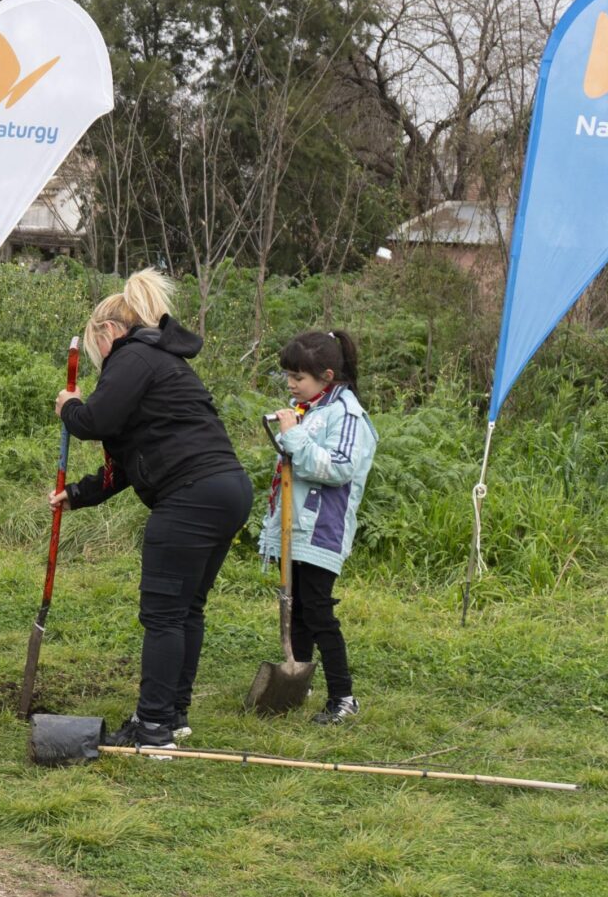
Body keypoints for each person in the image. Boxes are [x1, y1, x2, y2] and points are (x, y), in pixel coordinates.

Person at [50, 269, 252, 749]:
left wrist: (68, 407)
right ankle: (173, 714)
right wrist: (78, 494)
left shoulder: (133, 356)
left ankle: (154, 728)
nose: (100, 355)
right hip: (227, 489)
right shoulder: (165, 362)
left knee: (163, 614)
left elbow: (96, 421)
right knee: (185, 610)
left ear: (107, 331)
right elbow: (124, 463)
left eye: (99, 342)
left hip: (190, 496)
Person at [259, 330, 377, 725]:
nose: (291, 385)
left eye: (299, 377)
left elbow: (340, 467)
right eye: (289, 376)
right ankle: (299, 679)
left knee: (319, 611)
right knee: (298, 609)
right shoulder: (310, 407)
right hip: (295, 529)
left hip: (321, 529)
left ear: (327, 375)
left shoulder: (346, 414)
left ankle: (343, 696)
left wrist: (293, 435)